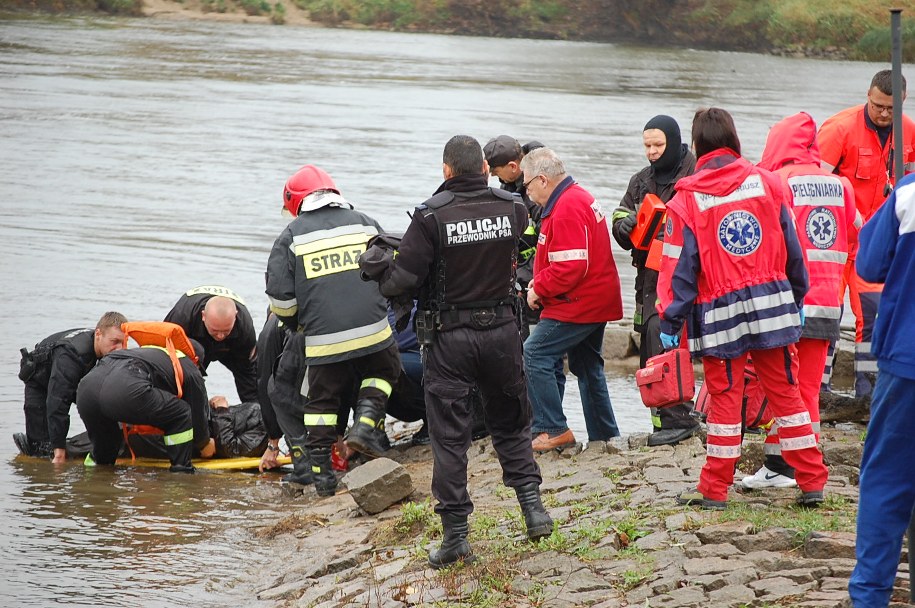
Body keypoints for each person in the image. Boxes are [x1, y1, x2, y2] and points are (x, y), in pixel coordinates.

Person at [372, 135, 552, 568]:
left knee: (450, 438)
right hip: (503, 333)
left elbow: (403, 283)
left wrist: (378, 267)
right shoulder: (514, 209)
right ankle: (534, 511)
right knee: (511, 423)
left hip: (449, 339)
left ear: (447, 170)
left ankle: (456, 537)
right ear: (486, 169)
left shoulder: (430, 217)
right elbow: (522, 256)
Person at [656, 107, 829, 510]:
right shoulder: (767, 183)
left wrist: (671, 317)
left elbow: (679, 268)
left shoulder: (687, 200)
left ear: (696, 146)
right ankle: (812, 481)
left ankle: (715, 490)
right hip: (773, 306)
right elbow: (793, 249)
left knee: (725, 402)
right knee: (788, 395)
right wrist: (798, 297)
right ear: (733, 139)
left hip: (719, 316)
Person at [266, 164, 401, 497]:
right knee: (385, 370)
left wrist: (300, 325)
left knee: (321, 406)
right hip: (375, 332)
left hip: (324, 342)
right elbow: (390, 269)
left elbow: (281, 301)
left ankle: (323, 477)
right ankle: (366, 426)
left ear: (295, 202)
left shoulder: (291, 237)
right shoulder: (365, 222)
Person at [747, 112, 856, 489]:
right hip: (829, 303)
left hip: (788, 302)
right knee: (806, 389)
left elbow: (766, 241)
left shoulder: (777, 181)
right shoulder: (842, 185)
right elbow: (856, 238)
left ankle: (801, 470)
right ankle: (782, 465)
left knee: (785, 390)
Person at [817, 69, 915, 398]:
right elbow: (816, 185)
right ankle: (820, 388)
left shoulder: (909, 133)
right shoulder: (839, 129)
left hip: (876, 247)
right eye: (877, 106)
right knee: (826, 315)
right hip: (833, 244)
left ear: (902, 103)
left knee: (873, 316)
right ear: (868, 97)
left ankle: (868, 392)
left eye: (891, 108)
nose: (884, 114)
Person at [520, 147, 623, 451]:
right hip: (595, 299)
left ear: (541, 180)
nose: (526, 193)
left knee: (534, 353)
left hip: (579, 303)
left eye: (527, 185)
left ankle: (553, 429)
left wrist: (538, 289)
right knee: (587, 366)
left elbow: (571, 267)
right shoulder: (578, 196)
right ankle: (605, 436)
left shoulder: (566, 207)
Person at [610, 115, 700, 446]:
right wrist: (624, 225)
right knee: (650, 346)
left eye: (658, 145)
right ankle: (662, 421)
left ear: (674, 143)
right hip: (648, 279)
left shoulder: (695, 173)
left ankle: (681, 418)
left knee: (672, 344)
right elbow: (619, 215)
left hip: (685, 278)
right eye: (647, 146)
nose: (651, 152)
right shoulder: (640, 181)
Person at [848, 172, 915, 607]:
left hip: (906, 359)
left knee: (887, 482)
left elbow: (869, 265)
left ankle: (870, 598)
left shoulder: (908, 193)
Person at [75, 322, 214, 473]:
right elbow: (197, 414)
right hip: (124, 390)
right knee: (181, 413)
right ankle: (181, 472)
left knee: (106, 448)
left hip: (86, 390)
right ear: (197, 359)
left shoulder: (147, 353)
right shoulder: (190, 367)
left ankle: (89, 479)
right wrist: (204, 444)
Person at [14, 311, 127, 463]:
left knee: (103, 411)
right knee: (41, 451)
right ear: (98, 334)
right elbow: (58, 402)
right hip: (40, 382)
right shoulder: (71, 355)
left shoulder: (103, 347)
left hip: (77, 377)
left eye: (123, 342)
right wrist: (59, 452)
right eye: (115, 341)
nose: (120, 348)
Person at [484, 135, 545, 339]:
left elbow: (546, 242)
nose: (493, 176)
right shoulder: (509, 186)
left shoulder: (536, 194)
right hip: (519, 282)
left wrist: (525, 280)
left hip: (534, 286)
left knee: (534, 349)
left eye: (496, 171)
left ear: (513, 166)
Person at [164, 285, 258, 404]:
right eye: (215, 330)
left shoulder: (245, 326)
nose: (220, 336)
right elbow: (164, 358)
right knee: (184, 380)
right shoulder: (182, 318)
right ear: (203, 316)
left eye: (225, 331)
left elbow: (247, 371)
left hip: (231, 346)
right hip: (193, 340)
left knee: (254, 383)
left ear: (235, 317)